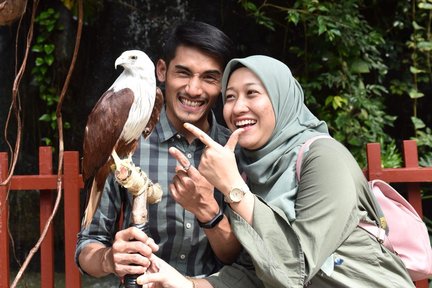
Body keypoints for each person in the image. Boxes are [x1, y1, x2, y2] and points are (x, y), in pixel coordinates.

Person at [136, 55, 415, 288]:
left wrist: (233, 188)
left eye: (252, 93)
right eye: (230, 97)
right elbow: (253, 272)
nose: (238, 107)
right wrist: (186, 283)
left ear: (282, 99)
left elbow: (295, 270)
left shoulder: (324, 158)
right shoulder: (249, 171)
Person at [75, 21, 242, 283]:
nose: (194, 90)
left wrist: (207, 209)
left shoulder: (235, 150)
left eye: (209, 77)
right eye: (183, 73)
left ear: (223, 83)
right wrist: (110, 258)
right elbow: (88, 245)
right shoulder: (128, 142)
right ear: (161, 70)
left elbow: (245, 259)